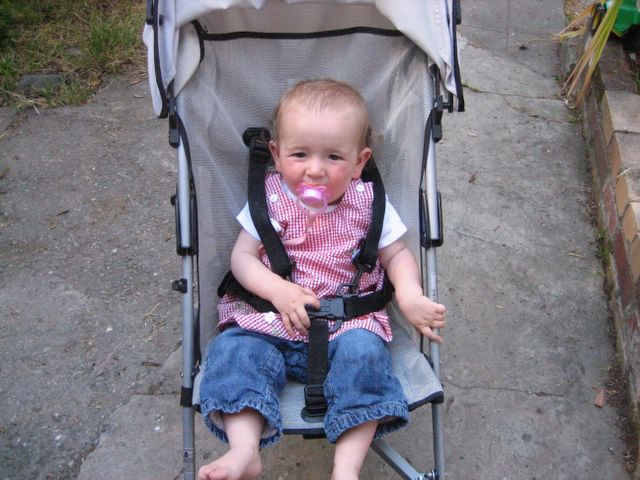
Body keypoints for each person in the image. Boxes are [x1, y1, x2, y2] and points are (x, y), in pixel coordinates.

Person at [198, 79, 446, 480]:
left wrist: (410, 294)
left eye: (333, 157)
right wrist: (278, 290)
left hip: (349, 323)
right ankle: (244, 450)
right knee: (234, 352)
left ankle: (346, 468)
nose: (315, 169)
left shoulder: (368, 201)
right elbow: (242, 258)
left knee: (366, 359)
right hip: (269, 320)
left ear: (360, 162)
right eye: (300, 154)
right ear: (276, 155)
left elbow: (397, 254)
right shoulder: (270, 198)